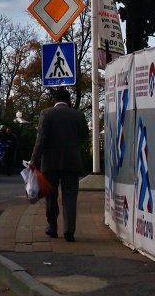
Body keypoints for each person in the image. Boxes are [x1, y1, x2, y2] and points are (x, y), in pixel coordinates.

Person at [29, 87, 89, 242]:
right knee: (70, 197)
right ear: (69, 101)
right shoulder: (78, 115)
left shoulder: (46, 114)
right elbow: (84, 136)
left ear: (55, 100)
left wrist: (34, 160)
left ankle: (52, 228)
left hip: (50, 162)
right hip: (72, 161)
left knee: (50, 195)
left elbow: (41, 139)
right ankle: (69, 230)